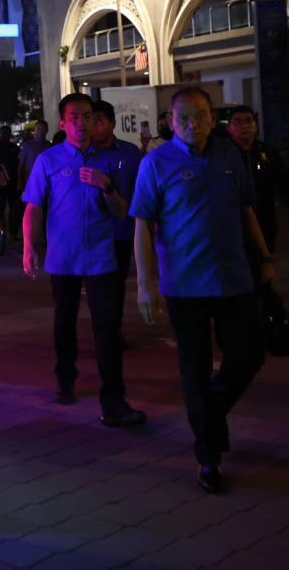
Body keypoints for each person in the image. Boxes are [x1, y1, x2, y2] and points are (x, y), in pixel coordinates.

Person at [131, 87, 276, 494]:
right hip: (185, 284)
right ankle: (208, 457)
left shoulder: (229, 155)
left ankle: (209, 415)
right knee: (194, 372)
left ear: (214, 118)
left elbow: (247, 209)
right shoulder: (156, 162)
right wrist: (145, 284)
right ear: (170, 122)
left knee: (247, 357)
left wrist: (264, 259)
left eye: (200, 116)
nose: (192, 124)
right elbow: (142, 223)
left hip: (235, 278)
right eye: (183, 118)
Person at [22, 93, 146, 427]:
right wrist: (29, 247)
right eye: (74, 116)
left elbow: (122, 212)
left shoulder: (109, 162)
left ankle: (114, 401)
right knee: (65, 322)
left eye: (87, 116)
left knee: (107, 328)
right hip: (62, 257)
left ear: (94, 121)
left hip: (102, 256)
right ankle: (65, 376)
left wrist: (108, 188)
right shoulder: (48, 161)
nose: (81, 121)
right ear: (62, 123)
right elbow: (33, 207)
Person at [91, 100, 141, 348]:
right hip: (91, 231)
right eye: (91, 121)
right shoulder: (83, 153)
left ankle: (113, 330)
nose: (94, 127)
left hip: (121, 230)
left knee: (116, 284)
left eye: (99, 121)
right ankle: (103, 331)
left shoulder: (130, 152)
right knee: (96, 285)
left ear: (112, 123)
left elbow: (140, 191)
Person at [227, 105, 289, 255]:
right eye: (238, 122)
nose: (244, 126)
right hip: (234, 224)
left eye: (249, 121)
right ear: (229, 128)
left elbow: (284, 183)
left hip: (265, 221)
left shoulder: (268, 152)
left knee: (265, 263)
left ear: (256, 125)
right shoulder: (224, 155)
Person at [18, 119, 51, 194]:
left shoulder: (49, 146)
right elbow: (21, 165)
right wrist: (20, 182)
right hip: (30, 181)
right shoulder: (27, 145)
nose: (41, 131)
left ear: (47, 130)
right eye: (38, 128)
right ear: (35, 130)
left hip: (46, 181)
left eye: (43, 129)